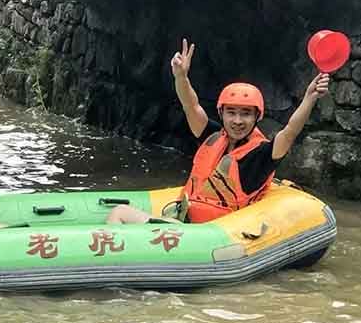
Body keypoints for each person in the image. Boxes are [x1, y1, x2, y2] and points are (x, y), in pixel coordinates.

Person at [106, 38, 330, 224]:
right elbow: (190, 105)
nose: (238, 121)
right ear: (221, 114)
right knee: (119, 212)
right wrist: (181, 77)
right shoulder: (212, 136)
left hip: (215, 233)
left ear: (257, 117)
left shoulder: (261, 155)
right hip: (187, 222)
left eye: (245, 114)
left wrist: (309, 98)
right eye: (231, 113)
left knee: (119, 214)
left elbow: (290, 132)